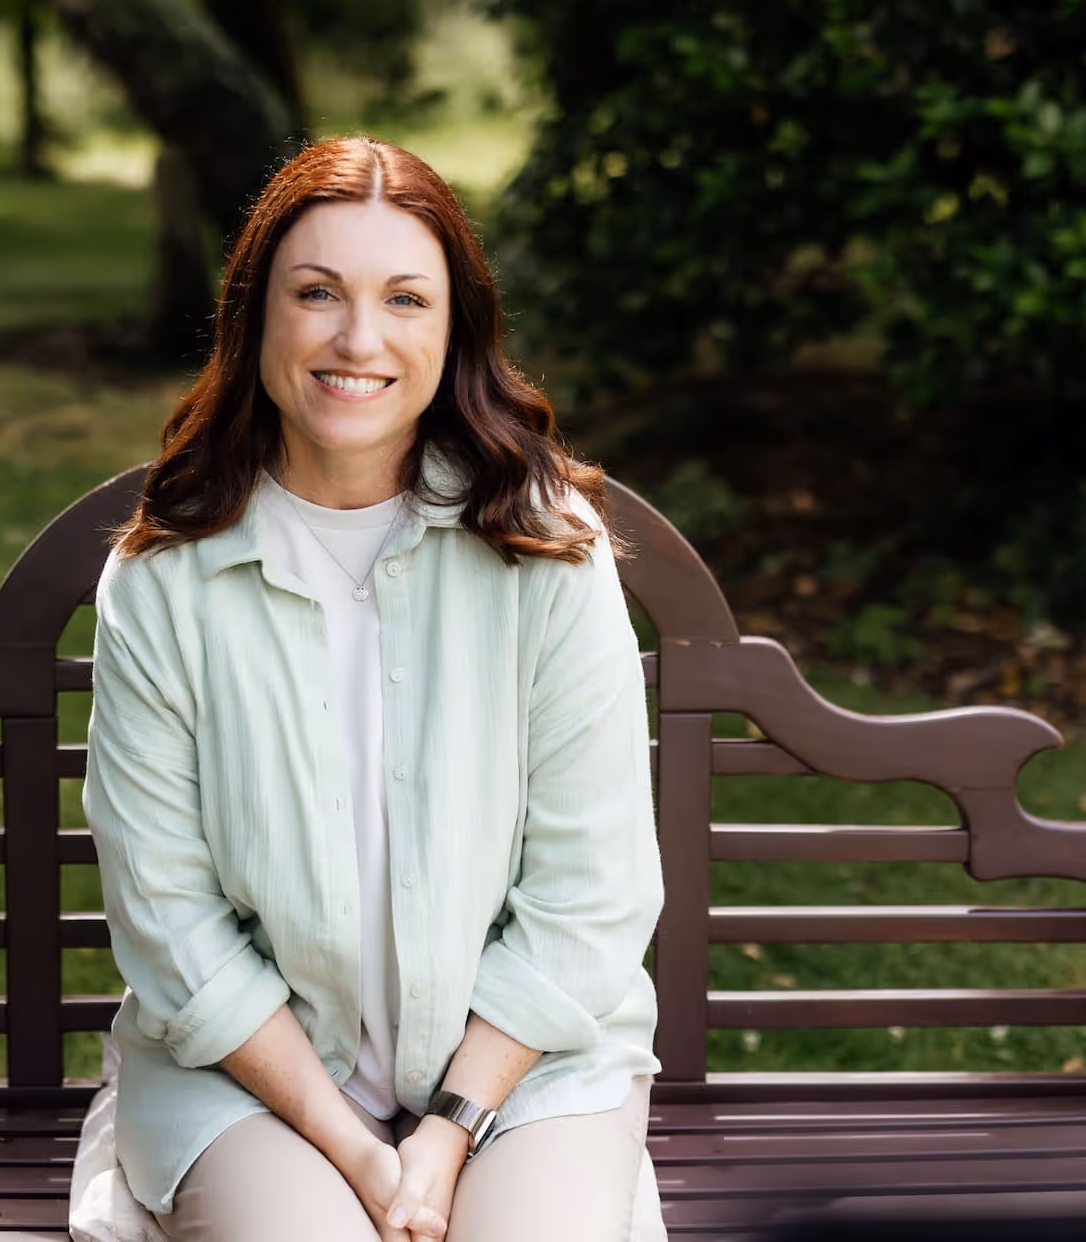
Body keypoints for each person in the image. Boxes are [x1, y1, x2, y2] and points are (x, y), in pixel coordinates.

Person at [82, 135, 667, 1242]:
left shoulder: (548, 551)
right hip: (248, 1079)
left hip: (524, 1066)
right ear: (257, 316)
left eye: (406, 297)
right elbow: (169, 920)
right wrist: (359, 1152)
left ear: (455, 333)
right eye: (317, 293)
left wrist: (442, 1133)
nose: (358, 338)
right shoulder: (163, 581)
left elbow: (591, 891)